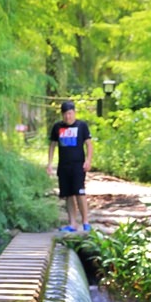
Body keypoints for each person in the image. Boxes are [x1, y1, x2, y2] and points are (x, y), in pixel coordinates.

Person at [47, 100, 93, 233]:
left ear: (74, 113)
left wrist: (88, 160)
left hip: (78, 165)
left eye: (70, 113)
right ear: (62, 115)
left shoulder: (82, 126)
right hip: (64, 166)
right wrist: (49, 163)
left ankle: (85, 221)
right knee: (68, 195)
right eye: (65, 114)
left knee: (80, 193)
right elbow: (52, 145)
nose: (68, 117)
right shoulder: (57, 127)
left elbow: (89, 144)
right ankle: (72, 223)